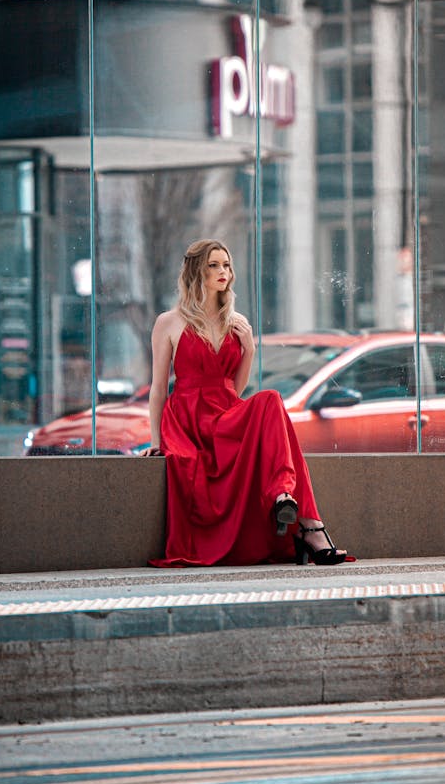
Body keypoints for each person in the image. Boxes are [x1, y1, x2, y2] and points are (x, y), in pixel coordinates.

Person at [144, 238, 353, 568]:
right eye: (213, 265)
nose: (222, 271)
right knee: (270, 404)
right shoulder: (168, 322)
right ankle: (309, 527)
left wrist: (249, 349)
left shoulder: (235, 321)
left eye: (226, 265)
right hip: (187, 420)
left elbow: (234, 389)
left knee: (269, 399)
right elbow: (158, 388)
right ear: (196, 271)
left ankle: (286, 498)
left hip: (224, 411)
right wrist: (156, 441)